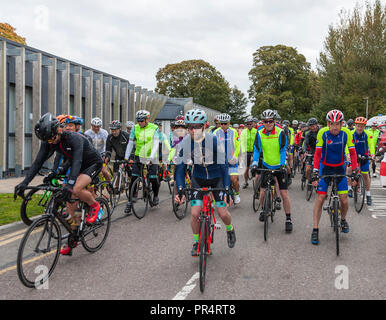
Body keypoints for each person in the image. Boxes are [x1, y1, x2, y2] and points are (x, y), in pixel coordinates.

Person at [15, 113, 104, 255]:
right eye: (46, 140)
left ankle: (95, 205)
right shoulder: (49, 140)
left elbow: (77, 161)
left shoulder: (73, 138)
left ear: (59, 130)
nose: (50, 142)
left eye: (51, 138)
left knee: (74, 188)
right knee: (69, 202)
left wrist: (69, 184)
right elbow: (38, 163)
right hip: (76, 164)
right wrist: (24, 183)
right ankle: (73, 237)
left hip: (92, 163)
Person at [174, 109, 236, 256]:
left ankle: (230, 229)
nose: (192, 130)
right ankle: (197, 242)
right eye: (189, 127)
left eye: (196, 126)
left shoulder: (213, 140)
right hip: (198, 178)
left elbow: (224, 165)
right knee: (195, 213)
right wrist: (181, 189)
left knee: (222, 212)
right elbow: (180, 168)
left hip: (217, 179)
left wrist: (227, 188)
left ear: (204, 127)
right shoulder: (186, 142)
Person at [311, 109, 358, 245]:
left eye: (337, 124)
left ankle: (343, 220)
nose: (335, 127)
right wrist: (315, 171)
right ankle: (315, 229)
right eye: (332, 124)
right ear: (328, 123)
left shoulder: (347, 133)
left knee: (344, 200)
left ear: (342, 123)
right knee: (320, 198)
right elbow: (318, 154)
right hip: (324, 168)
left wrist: (354, 170)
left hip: (340, 167)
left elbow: (353, 153)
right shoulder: (322, 133)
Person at [251, 109, 293, 233]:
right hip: (266, 165)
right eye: (265, 121)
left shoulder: (280, 132)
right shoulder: (259, 133)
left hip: (278, 166)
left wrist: (282, 164)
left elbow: (282, 149)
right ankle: (264, 209)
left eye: (270, 121)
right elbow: (257, 150)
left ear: (274, 121)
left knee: (284, 194)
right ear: (262, 122)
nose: (268, 123)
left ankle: (288, 218)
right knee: (262, 192)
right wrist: (254, 163)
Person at [124, 110, 161, 213]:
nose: (140, 123)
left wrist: (151, 158)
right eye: (138, 120)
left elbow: (155, 145)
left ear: (147, 120)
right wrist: (126, 158)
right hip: (139, 155)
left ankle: (156, 195)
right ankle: (130, 201)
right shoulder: (135, 128)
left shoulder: (154, 128)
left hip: (152, 156)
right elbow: (130, 143)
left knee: (153, 178)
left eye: (142, 120)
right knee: (134, 177)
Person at [347, 117, 375, 205]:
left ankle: (368, 194)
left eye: (362, 126)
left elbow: (371, 145)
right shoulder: (351, 133)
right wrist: (347, 154)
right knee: (349, 170)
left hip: (364, 157)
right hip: (353, 157)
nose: (359, 128)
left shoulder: (367, 133)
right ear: (355, 125)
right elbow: (347, 146)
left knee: (365, 175)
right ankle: (349, 188)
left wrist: (373, 154)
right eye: (358, 126)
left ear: (364, 126)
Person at [214, 113, 241, 204]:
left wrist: (235, 156)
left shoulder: (234, 132)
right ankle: (215, 199)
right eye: (221, 124)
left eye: (225, 124)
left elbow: (238, 146)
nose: (223, 126)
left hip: (231, 160)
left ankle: (237, 193)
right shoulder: (215, 132)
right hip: (220, 161)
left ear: (229, 123)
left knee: (234, 179)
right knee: (217, 181)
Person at [240, 116, 257, 189]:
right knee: (246, 169)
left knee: (257, 168)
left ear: (253, 124)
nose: (249, 125)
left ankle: (257, 183)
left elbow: (257, 142)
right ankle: (246, 182)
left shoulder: (256, 131)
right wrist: (244, 153)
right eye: (248, 124)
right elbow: (242, 143)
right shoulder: (243, 132)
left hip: (254, 151)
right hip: (246, 151)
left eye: (250, 124)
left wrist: (254, 153)